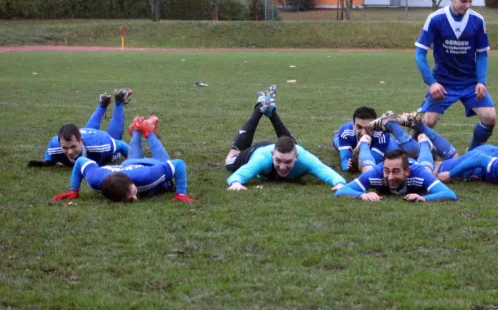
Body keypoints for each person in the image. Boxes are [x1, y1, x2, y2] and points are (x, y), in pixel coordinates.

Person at [414, 0, 496, 152]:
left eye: (470, 1)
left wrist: (481, 81)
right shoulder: (436, 19)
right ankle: (412, 152)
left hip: (470, 83)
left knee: (490, 118)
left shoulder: (477, 20)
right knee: (428, 122)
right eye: (463, 1)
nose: (467, 5)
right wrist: (432, 83)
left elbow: (482, 54)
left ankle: (471, 153)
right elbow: (420, 54)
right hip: (442, 82)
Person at [226, 85, 346, 191]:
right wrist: (236, 183)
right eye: (278, 161)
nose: (283, 167)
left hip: (285, 147)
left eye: (288, 162)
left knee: (292, 144)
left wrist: (339, 184)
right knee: (230, 159)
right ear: (273, 155)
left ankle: (271, 112)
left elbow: (327, 172)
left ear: (296, 157)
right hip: (258, 150)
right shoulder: (262, 158)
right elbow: (237, 176)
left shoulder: (304, 158)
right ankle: (259, 108)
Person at [52, 115, 195, 203]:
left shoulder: (147, 177)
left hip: (148, 166)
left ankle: (148, 131)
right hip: (129, 163)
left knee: (164, 163)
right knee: (131, 160)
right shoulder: (96, 179)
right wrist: (74, 191)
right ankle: (138, 129)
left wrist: (181, 193)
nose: (135, 198)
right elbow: (81, 161)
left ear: (133, 184)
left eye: (133, 193)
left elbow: (179, 165)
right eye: (129, 199)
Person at [334, 134, 457, 202]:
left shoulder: (418, 173)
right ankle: (364, 143)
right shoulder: (376, 172)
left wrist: (424, 198)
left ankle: (425, 143)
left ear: (407, 171)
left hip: (419, 166)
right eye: (387, 171)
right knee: (367, 168)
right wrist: (361, 195)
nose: (390, 177)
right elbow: (341, 191)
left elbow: (449, 194)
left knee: (426, 167)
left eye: (396, 172)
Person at [29, 89, 133, 167]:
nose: (69, 152)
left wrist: (134, 160)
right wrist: (47, 161)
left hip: (97, 140)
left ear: (81, 141)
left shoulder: (101, 145)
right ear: (60, 143)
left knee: (116, 140)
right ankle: (102, 104)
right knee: (85, 133)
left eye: (73, 147)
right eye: (65, 148)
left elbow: (121, 145)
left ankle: (118, 103)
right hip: (87, 137)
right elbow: (50, 151)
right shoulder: (55, 145)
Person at [332, 106, 399, 173]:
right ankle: (336, 137)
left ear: (375, 125)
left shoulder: (382, 134)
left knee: (395, 152)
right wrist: (348, 167)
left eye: (368, 128)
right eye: (359, 127)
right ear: (353, 124)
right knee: (339, 143)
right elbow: (345, 160)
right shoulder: (345, 131)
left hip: (382, 145)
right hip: (352, 140)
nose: (363, 133)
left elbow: (372, 162)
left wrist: (356, 165)